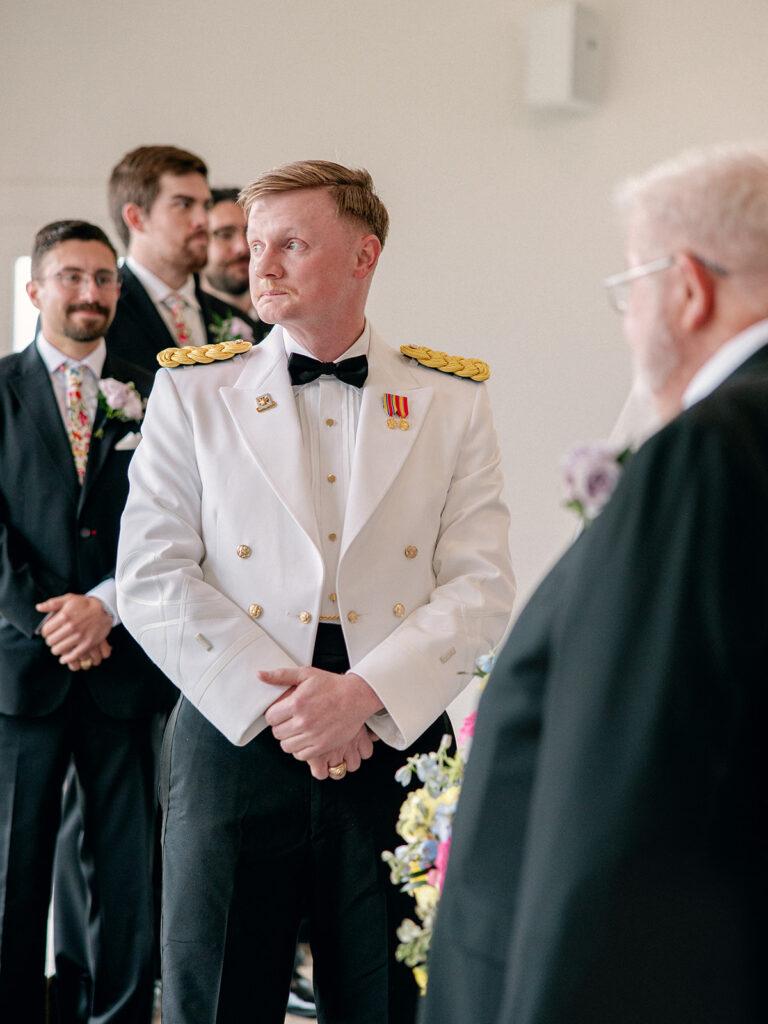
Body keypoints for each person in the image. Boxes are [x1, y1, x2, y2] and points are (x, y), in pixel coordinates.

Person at [115, 159, 515, 1024]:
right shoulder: (193, 389)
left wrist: (361, 696)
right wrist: (292, 708)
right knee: (217, 997)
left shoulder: (450, 400)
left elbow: (481, 586)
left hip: (392, 726)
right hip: (236, 718)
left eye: (291, 244)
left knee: (391, 1000)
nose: (258, 264)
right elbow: (150, 574)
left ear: (365, 254)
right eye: (256, 244)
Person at [421, 142, 768, 1024]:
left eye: (630, 287)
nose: (627, 319)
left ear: (687, 288)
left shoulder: (710, 450)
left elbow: (625, 787)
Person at [0, 220, 177, 1023]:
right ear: (35, 289)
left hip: (125, 664)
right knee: (15, 873)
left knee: (126, 872)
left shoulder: (161, 392)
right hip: (22, 669)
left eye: (105, 278)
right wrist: (53, 622)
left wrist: (106, 605)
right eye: (72, 277)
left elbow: (178, 521)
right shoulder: (1, 390)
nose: (91, 293)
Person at [105, 145, 217, 373]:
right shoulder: (102, 315)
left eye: (206, 205)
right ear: (136, 218)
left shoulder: (232, 319)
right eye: (184, 204)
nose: (203, 220)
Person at [201, 187, 270, 345]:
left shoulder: (283, 316)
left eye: (249, 233)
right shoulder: (193, 322)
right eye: (225, 235)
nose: (242, 247)